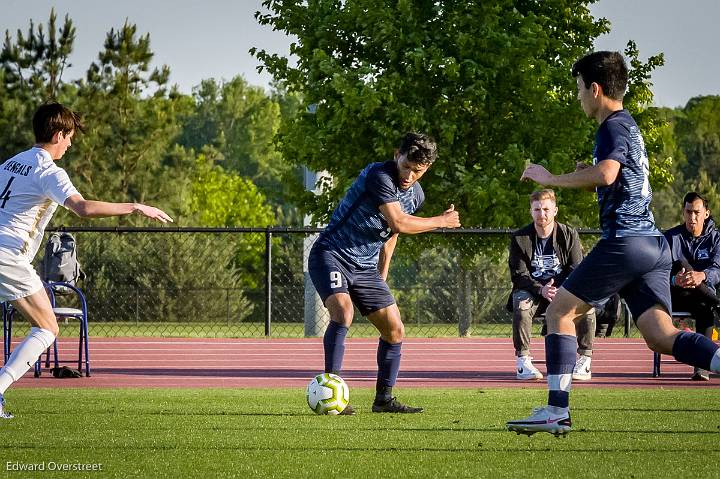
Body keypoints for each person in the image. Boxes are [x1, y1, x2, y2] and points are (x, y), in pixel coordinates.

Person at [506, 51, 720, 436]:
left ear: (595, 88)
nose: (577, 97)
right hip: (653, 246)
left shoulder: (611, 126)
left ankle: (556, 411)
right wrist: (582, 176)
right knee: (661, 336)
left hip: (625, 243)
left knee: (558, 313)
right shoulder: (628, 126)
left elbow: (607, 174)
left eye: (577, 89)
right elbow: (610, 178)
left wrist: (549, 178)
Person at [0, 102, 173, 419]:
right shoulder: (48, 171)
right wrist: (134, 207)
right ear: (57, 134)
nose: (69, 144)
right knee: (48, 327)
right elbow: (82, 208)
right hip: (7, 254)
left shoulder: (11, 163)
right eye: (68, 137)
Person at [309, 132, 461, 414]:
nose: (409, 175)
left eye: (418, 171)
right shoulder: (379, 175)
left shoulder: (416, 195)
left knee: (395, 330)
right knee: (343, 312)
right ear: (396, 155)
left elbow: (391, 234)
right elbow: (399, 222)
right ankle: (332, 390)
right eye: (406, 166)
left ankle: (383, 400)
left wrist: (382, 273)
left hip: (365, 267)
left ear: (426, 169)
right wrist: (442, 221)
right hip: (331, 254)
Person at [508, 189, 596, 381]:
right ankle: (523, 362)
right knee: (521, 304)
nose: (542, 214)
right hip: (534, 291)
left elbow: (576, 268)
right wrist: (541, 289)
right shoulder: (519, 237)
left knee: (587, 307)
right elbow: (519, 274)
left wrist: (560, 289)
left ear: (555, 210)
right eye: (537, 209)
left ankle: (584, 360)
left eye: (546, 209)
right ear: (531, 211)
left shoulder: (568, 234)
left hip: (563, 290)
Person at [664, 192, 720, 381]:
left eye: (696, 212)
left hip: (702, 299)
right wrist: (674, 280)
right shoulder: (671, 237)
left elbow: (718, 268)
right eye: (688, 212)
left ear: (706, 213)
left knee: (705, 308)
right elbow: (657, 271)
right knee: (680, 265)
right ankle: (717, 303)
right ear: (683, 212)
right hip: (676, 294)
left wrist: (702, 275)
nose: (692, 217)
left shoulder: (716, 239)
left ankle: (701, 368)